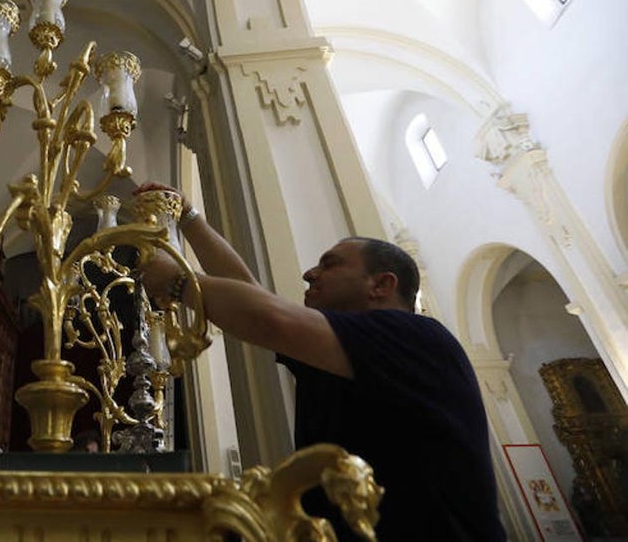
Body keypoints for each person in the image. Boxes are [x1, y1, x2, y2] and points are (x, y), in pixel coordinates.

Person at [135, 182, 506, 541]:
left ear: (381, 285)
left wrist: (178, 283)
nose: (309, 273)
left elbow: (272, 319)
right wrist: (189, 217)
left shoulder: (418, 338)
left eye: (329, 264)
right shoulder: (349, 351)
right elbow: (251, 295)